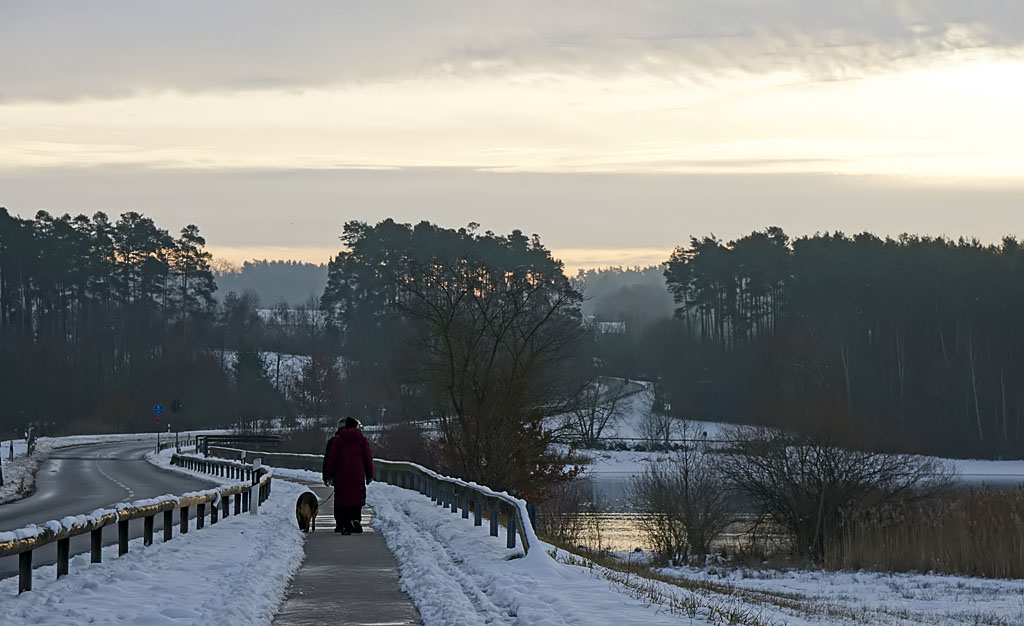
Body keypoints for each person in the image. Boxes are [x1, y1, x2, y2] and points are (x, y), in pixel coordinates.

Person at [324, 417, 374, 534]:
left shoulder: (338, 440)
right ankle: (356, 519)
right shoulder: (362, 440)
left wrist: (329, 474)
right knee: (357, 497)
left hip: (341, 474)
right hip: (357, 473)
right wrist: (369, 474)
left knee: (343, 498)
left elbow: (332, 459)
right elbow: (368, 458)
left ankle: (345, 524)